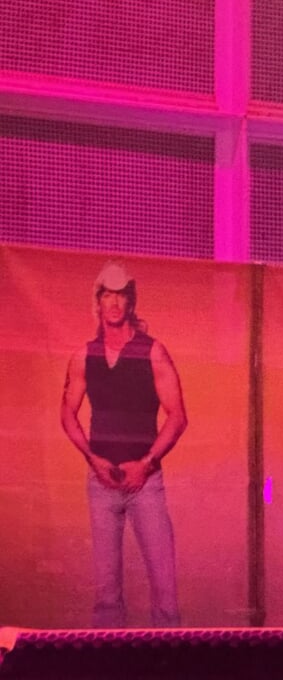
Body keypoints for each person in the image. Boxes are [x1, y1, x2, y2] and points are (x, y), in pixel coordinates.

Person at [60, 261, 188, 627]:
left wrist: (146, 464)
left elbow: (178, 416)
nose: (114, 303)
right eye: (108, 296)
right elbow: (67, 412)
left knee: (165, 589)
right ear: (98, 302)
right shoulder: (85, 356)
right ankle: (108, 656)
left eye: (120, 296)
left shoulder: (152, 352)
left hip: (145, 483)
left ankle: (169, 656)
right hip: (102, 481)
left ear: (130, 301)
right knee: (106, 593)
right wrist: (92, 459)